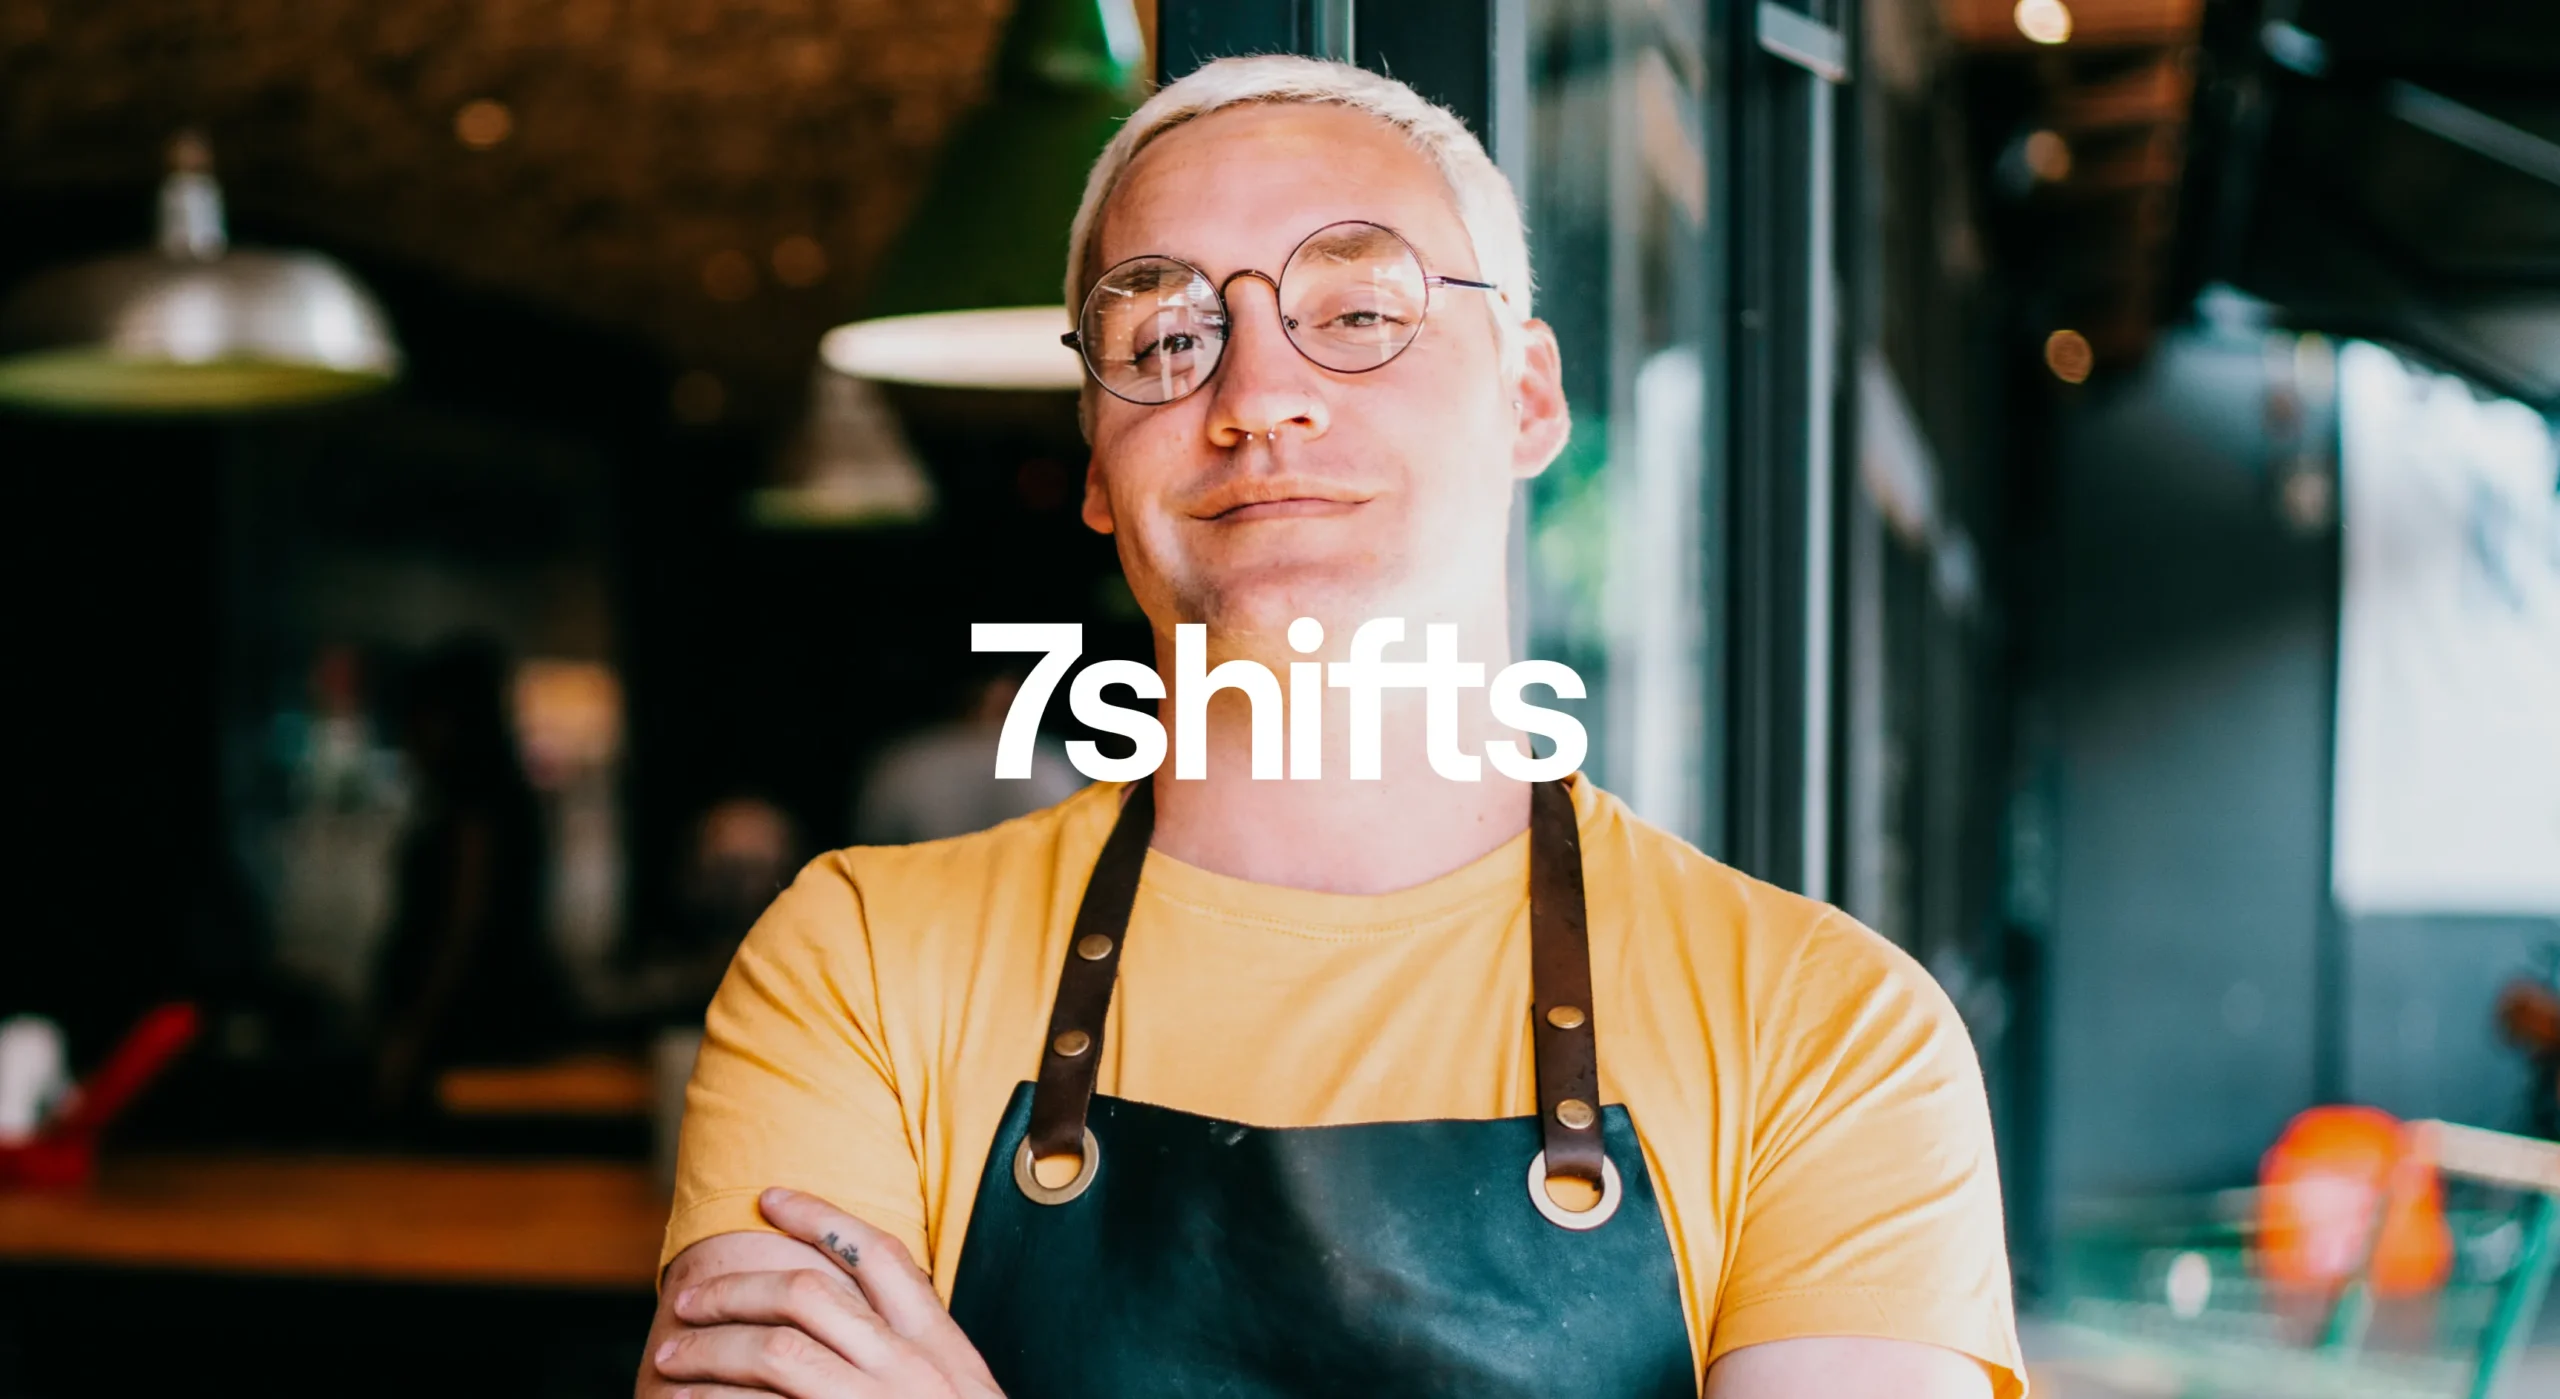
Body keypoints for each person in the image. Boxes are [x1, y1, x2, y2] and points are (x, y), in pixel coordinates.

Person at [640, 56, 2023, 1399]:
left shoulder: (1829, 1034)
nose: (1254, 398)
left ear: (1527, 394)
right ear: (1098, 469)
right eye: (1167, 338)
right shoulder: (861, 965)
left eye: (1360, 314)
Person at [370, 636, 565, 1116]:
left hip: (473, 1026)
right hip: (482, 1020)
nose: (411, 733)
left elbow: (463, 924)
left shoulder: (479, 803)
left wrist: (414, 1031)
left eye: (422, 715)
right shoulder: (490, 800)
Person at [850, 672, 1085, 846]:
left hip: (923, 899)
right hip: (1024, 901)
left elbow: (871, 837)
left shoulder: (905, 761)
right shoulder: (1053, 762)